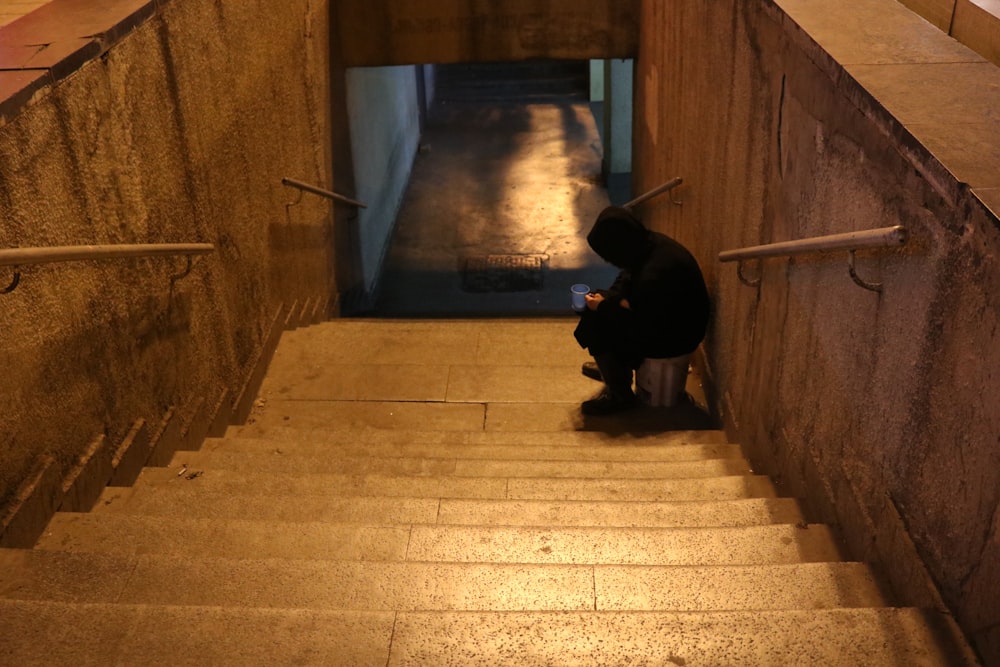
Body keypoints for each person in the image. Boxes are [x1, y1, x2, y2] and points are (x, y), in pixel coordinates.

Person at [573, 206, 710, 415]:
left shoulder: (653, 272)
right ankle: (615, 370)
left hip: (676, 338)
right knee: (601, 305)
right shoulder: (647, 244)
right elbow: (628, 278)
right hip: (669, 319)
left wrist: (603, 306)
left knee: (596, 322)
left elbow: (641, 322)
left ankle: (619, 395)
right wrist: (609, 299)